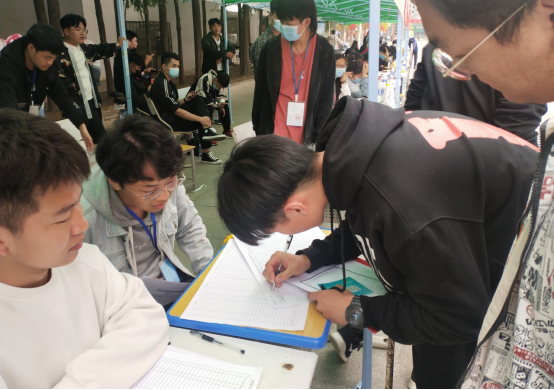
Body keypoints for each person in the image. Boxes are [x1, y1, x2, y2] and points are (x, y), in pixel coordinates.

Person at [217, 97, 539, 389]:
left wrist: (356, 311)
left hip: (530, 264)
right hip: (475, 251)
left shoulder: (401, 200)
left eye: (279, 229)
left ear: (295, 209)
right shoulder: (352, 156)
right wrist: (308, 258)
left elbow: (457, 316)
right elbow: (366, 224)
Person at [381, 0, 554, 388]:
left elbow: (515, 131)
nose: (463, 69)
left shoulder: (520, 148)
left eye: (462, 53)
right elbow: (412, 106)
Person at [0, 109, 169, 388]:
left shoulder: (86, 263)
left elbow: (145, 317)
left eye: (77, 202)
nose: (82, 224)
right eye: (62, 217)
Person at [81, 115, 213, 293]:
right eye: (150, 190)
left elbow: (190, 227)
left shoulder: (167, 183)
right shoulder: (83, 220)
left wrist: (209, 273)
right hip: (125, 302)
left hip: (169, 288)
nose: (164, 197)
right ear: (114, 181)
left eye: (171, 182)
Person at [406, 43, 546, 145]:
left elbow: (411, 111)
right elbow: (518, 137)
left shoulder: (435, 46)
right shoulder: (520, 50)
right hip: (489, 167)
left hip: (430, 156)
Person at [252, 0, 335, 146]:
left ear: (306, 22)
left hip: (307, 140)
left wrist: (320, 137)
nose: (283, 27)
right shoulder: (271, 49)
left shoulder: (324, 52)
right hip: (274, 136)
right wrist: (258, 129)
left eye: (288, 24)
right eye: (282, 22)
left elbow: (326, 98)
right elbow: (260, 91)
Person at [0, 24, 94, 152]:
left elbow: (62, 96)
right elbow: (8, 108)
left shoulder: (46, 65)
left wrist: (81, 126)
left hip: (26, 115)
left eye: (54, 58)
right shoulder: (6, 65)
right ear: (31, 48)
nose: (50, 62)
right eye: (47, 57)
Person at [149, 52, 226, 165]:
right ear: (164, 67)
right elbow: (176, 110)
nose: (177, 69)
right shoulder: (162, 83)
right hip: (168, 121)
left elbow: (173, 103)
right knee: (200, 117)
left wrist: (185, 100)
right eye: (174, 66)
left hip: (170, 116)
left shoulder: (167, 82)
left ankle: (207, 133)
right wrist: (200, 119)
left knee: (197, 99)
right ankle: (206, 139)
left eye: (178, 66)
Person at [57, 14, 123, 145]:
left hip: (90, 102)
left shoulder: (83, 48)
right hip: (75, 104)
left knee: (101, 137)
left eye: (84, 30)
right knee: (79, 141)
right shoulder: (59, 54)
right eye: (78, 29)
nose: (82, 33)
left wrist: (116, 45)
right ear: (66, 31)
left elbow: (98, 49)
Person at [187, 70, 232, 138]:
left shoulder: (218, 82)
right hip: (195, 102)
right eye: (220, 86)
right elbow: (205, 98)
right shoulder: (204, 79)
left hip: (208, 100)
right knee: (209, 107)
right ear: (215, 80)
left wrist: (221, 103)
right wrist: (217, 105)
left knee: (224, 106)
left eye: (222, 87)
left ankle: (226, 130)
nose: (220, 88)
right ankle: (208, 131)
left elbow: (221, 95)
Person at [114, 30, 154, 95]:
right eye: (135, 41)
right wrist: (147, 60)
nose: (137, 44)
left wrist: (145, 70)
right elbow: (139, 67)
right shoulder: (127, 54)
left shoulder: (120, 53)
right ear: (128, 41)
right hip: (128, 86)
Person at [252, 0, 282, 80]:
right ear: (270, 16)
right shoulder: (263, 42)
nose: (282, 20)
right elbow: (261, 76)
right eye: (278, 16)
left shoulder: (285, 38)